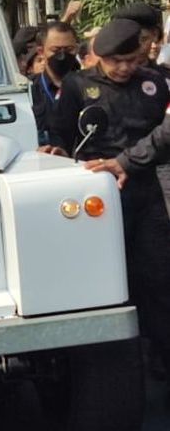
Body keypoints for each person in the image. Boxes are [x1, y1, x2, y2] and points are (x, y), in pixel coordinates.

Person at [47, 19, 170, 382]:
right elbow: (62, 134)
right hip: (95, 198)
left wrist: (129, 161)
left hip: (147, 192)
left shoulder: (155, 84)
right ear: (99, 56)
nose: (124, 68)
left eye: (132, 60)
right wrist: (57, 152)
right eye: (116, 60)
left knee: (158, 280)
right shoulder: (77, 86)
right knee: (101, 283)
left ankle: (162, 357)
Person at [30, 21, 80, 145]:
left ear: (76, 49)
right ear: (41, 52)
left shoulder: (88, 86)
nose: (62, 55)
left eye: (69, 49)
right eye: (55, 50)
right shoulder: (30, 90)